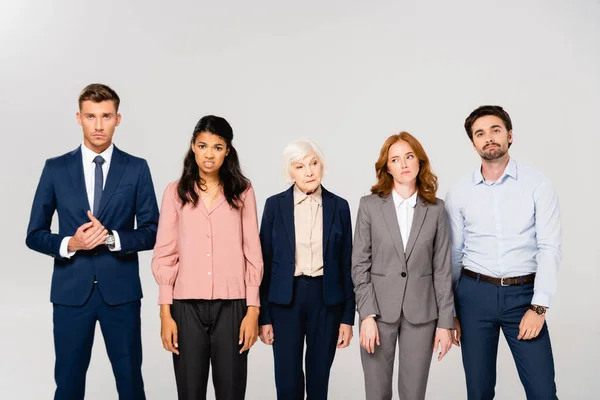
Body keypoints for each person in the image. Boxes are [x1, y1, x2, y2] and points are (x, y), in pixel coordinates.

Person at [25, 83, 159, 399]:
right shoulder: (55, 169)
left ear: (118, 119)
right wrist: (71, 244)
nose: (98, 125)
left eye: (106, 116)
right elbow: (34, 234)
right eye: (91, 116)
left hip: (121, 293)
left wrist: (112, 238)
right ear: (79, 118)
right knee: (69, 384)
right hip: (71, 293)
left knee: (130, 382)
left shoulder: (136, 168)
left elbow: (153, 230)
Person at [446, 105, 561, 399]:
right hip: (473, 297)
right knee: (479, 391)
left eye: (495, 130)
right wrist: (451, 311)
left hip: (523, 297)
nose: (489, 138)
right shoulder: (459, 191)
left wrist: (539, 307)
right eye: (480, 134)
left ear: (510, 135)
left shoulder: (538, 184)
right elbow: (454, 254)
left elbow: (549, 247)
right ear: (473, 144)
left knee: (543, 392)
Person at [152, 115, 263, 400]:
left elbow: (253, 251)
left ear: (227, 150)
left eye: (217, 146)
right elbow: (165, 253)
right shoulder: (175, 192)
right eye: (202, 146)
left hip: (233, 305)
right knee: (190, 392)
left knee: (231, 391)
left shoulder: (243, 191)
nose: (209, 154)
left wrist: (253, 310)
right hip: (185, 305)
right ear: (193, 147)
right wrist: (166, 313)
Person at [352, 132, 454, 400]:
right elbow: (359, 265)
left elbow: (443, 270)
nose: (404, 164)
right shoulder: (369, 206)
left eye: (409, 157)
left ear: (420, 162)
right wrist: (366, 315)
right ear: (387, 167)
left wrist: (445, 323)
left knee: (413, 394)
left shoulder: (436, 209)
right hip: (378, 313)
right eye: (395, 159)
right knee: (376, 394)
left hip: (422, 314)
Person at [258, 140, 355, 400]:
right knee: (287, 382)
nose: (309, 172)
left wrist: (348, 317)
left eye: (313, 163)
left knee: (319, 379)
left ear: (321, 164)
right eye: (300, 166)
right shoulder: (274, 205)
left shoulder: (339, 206)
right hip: (284, 301)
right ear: (290, 172)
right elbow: (263, 264)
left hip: (326, 299)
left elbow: (347, 264)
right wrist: (263, 317)